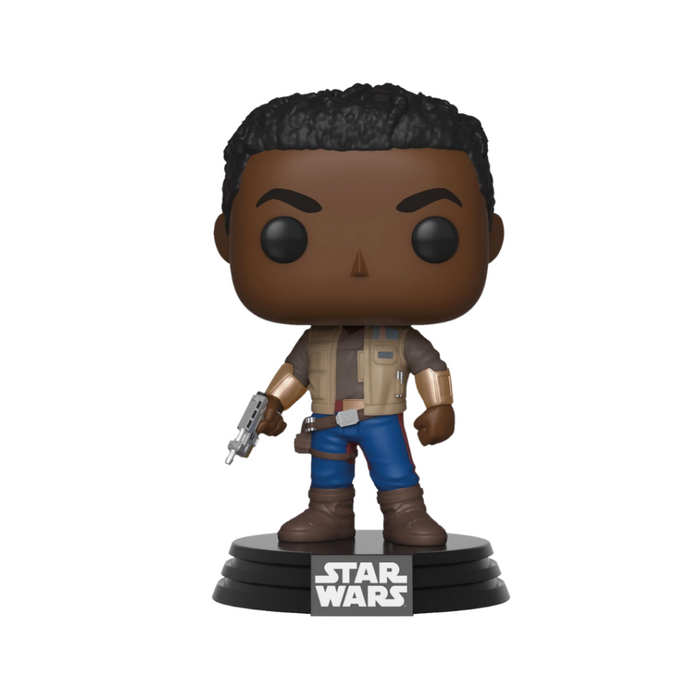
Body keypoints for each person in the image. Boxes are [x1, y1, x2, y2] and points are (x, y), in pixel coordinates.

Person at [213, 84, 504, 546]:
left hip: (381, 417)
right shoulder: (317, 341)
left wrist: (440, 406)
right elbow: (294, 374)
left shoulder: (399, 337)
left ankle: (406, 514)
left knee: (394, 471)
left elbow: (430, 367)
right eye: (286, 237)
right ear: (227, 240)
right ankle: (327, 513)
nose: (358, 266)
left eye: (432, 236)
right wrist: (272, 404)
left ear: (491, 239)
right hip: (327, 419)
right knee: (327, 475)